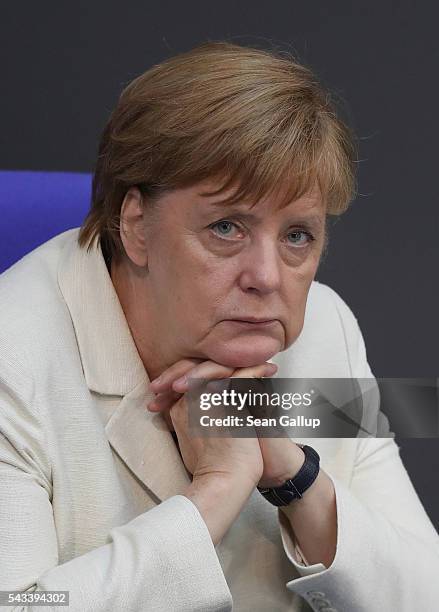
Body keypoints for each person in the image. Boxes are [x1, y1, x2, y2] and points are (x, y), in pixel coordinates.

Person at [0, 41, 438, 612]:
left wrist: (295, 476)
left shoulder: (325, 330)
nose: (267, 277)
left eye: (297, 236)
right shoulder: (13, 359)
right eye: (227, 227)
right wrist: (215, 492)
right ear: (134, 225)